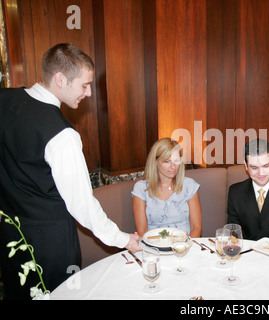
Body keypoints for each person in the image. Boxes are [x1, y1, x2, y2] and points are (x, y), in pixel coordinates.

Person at [0, 43, 141, 300]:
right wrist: (124, 239)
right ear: (60, 79)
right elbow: (82, 205)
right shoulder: (62, 135)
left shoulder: (5, 99)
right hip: (49, 245)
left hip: (10, 235)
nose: (88, 94)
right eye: (85, 85)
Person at [132, 138, 202, 238]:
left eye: (176, 161)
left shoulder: (189, 186)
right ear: (156, 162)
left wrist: (184, 247)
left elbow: (196, 228)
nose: (173, 167)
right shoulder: (141, 189)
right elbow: (142, 231)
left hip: (184, 247)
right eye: (167, 161)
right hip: (154, 247)